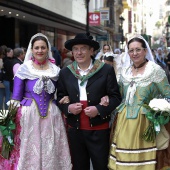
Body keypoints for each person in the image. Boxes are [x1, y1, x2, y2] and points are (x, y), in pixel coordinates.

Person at [0, 33, 72, 170]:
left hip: (52, 117)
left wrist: (67, 98)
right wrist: (9, 124)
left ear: (47, 50)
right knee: (29, 149)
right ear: (31, 50)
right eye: (37, 48)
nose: (40, 50)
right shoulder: (24, 69)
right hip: (29, 116)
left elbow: (61, 92)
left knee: (51, 149)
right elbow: (15, 97)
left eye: (43, 48)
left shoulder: (55, 70)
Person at [57, 32, 122, 170]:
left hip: (99, 130)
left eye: (83, 48)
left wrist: (98, 109)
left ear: (91, 50)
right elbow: (60, 98)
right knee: (79, 166)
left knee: (101, 166)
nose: (79, 52)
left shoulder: (105, 70)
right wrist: (69, 108)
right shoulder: (66, 72)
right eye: (75, 49)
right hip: (75, 130)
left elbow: (116, 97)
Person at [108, 35, 170, 170]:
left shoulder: (155, 70)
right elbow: (117, 94)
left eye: (138, 50)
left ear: (145, 51)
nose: (134, 53)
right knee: (123, 161)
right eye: (131, 50)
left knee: (143, 163)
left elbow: (168, 95)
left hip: (145, 122)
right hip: (124, 121)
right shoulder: (124, 72)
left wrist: (158, 110)